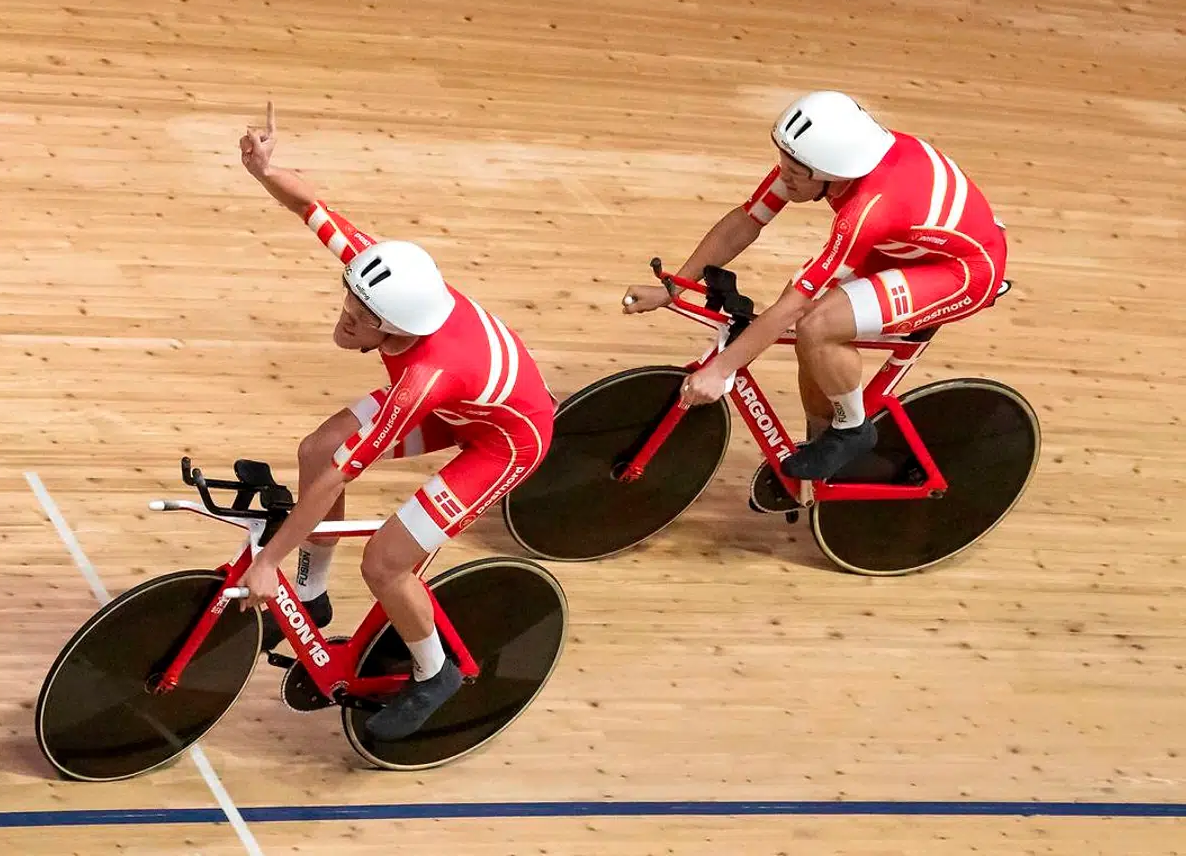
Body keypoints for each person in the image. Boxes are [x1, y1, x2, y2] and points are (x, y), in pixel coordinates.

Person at [233, 102, 556, 741]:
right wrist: (263, 170)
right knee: (314, 449)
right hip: (470, 406)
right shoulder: (387, 279)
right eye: (350, 299)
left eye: (362, 316)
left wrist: (268, 558)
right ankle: (315, 598)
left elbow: (339, 481)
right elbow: (313, 209)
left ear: (398, 330)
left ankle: (435, 673)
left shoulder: (423, 378)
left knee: (384, 563)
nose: (347, 315)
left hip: (505, 441)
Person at [622, 90, 1008, 486]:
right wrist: (675, 287)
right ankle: (823, 457)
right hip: (906, 248)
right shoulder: (823, 165)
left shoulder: (867, 209)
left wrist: (721, 370)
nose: (782, 175)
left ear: (832, 172)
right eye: (783, 162)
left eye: (794, 170)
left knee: (816, 324)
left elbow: (792, 306)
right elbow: (746, 222)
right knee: (811, 328)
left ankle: (854, 428)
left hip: (963, 270)